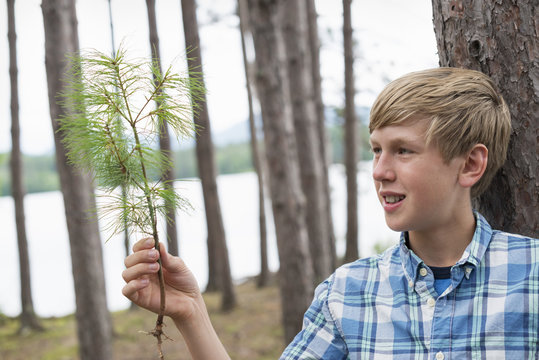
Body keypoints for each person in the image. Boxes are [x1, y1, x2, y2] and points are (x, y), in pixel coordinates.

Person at [122, 67, 539, 359]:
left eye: (403, 150)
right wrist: (191, 312)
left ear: (469, 165)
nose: (379, 171)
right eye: (376, 150)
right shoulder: (347, 294)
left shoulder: (531, 277)